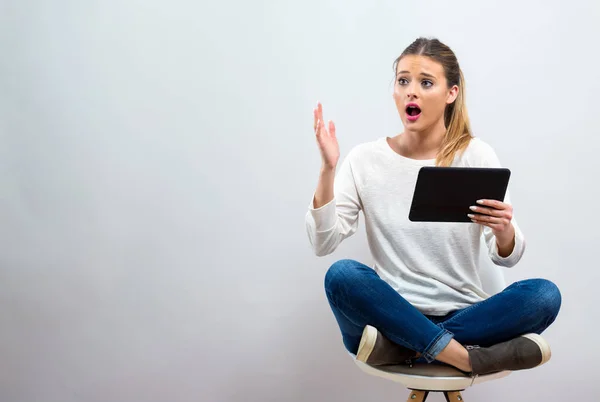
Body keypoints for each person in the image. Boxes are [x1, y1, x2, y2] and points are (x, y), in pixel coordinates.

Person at [304, 37, 561, 376]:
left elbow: (506, 257)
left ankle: (409, 349)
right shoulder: (365, 160)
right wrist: (327, 168)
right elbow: (323, 243)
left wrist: (504, 230)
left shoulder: (474, 155)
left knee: (544, 295)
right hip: (391, 314)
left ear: (451, 93)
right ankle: (467, 358)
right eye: (403, 80)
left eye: (426, 82)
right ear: (394, 89)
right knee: (342, 276)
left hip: (464, 315)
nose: (412, 91)